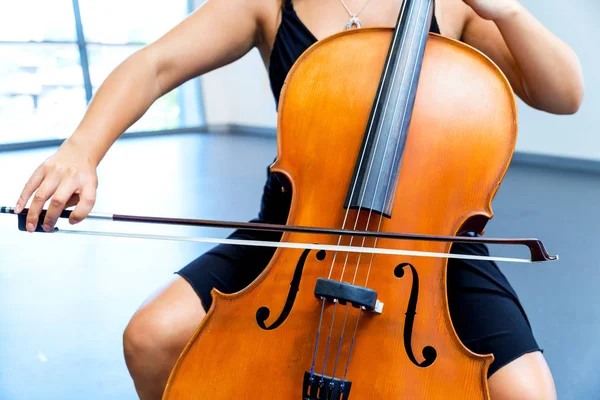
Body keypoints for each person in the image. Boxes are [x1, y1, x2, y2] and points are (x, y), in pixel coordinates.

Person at [14, 0, 583, 399]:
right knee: (151, 338)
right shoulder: (268, 3)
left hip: (427, 239)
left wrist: (507, 9)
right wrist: (81, 148)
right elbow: (155, 63)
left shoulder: (452, 6)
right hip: (295, 226)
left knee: (525, 392)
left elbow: (563, 95)